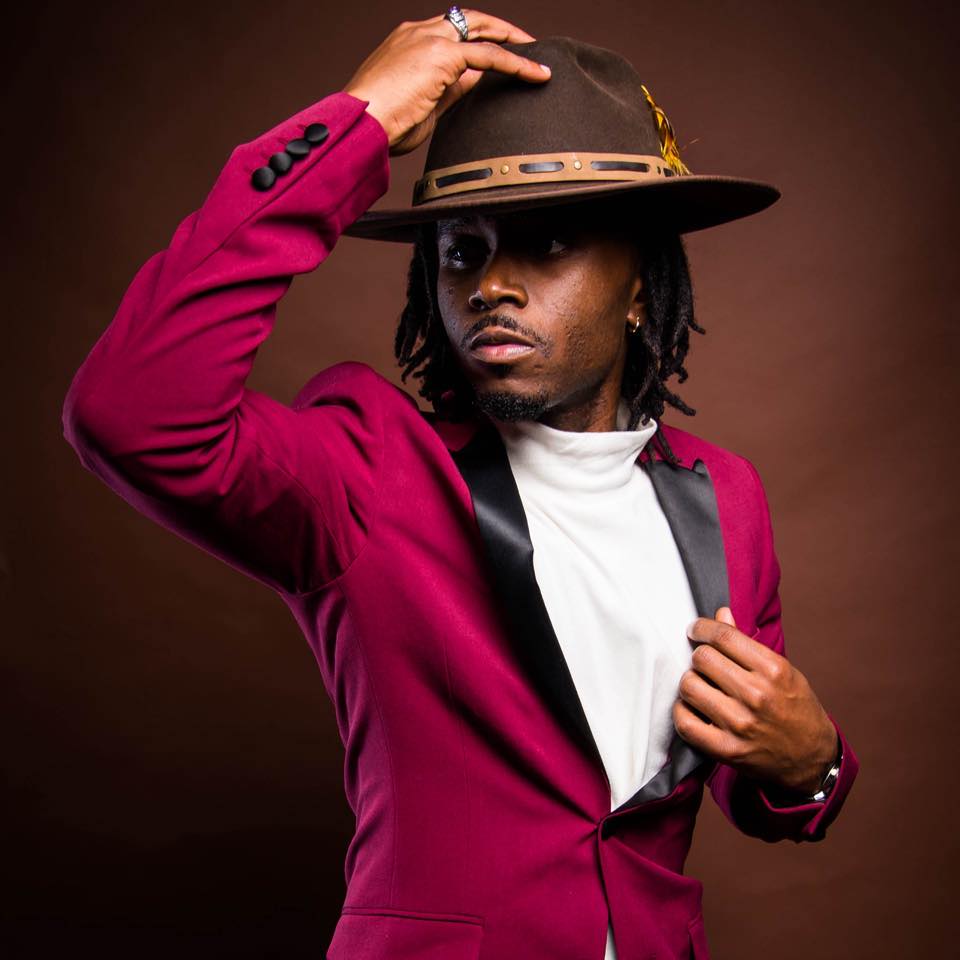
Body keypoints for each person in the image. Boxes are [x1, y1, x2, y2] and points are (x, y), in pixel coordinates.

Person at [61, 9, 859, 959]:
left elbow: (749, 780)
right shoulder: (369, 470)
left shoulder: (725, 498)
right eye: (461, 251)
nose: (491, 287)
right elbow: (132, 412)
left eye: (549, 244)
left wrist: (812, 765)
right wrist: (352, 125)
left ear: (642, 282)